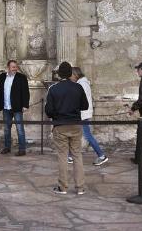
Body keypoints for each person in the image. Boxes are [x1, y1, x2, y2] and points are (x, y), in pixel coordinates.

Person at [45, 61, 89, 195]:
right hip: (75, 124)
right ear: (70, 73)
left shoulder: (53, 89)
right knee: (77, 155)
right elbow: (84, 106)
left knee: (63, 156)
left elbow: (49, 111)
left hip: (61, 125)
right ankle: (80, 187)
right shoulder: (78, 87)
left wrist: (58, 113)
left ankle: (63, 187)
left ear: (59, 74)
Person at [67, 67, 108, 166]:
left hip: (82, 114)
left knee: (86, 135)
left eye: (71, 75)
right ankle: (70, 156)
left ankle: (101, 155)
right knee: (75, 133)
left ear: (75, 74)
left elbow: (80, 99)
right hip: (82, 113)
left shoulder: (82, 84)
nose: (70, 78)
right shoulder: (82, 83)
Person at [0, 59, 30, 156]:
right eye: (13, 67)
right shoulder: (2, 76)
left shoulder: (21, 77)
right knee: (7, 128)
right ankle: (7, 147)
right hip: (6, 107)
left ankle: (22, 149)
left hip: (17, 107)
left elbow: (25, 92)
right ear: (8, 68)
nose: (15, 69)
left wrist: (25, 105)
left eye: (16, 67)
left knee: (20, 128)